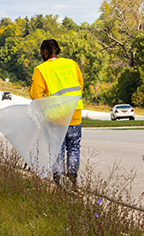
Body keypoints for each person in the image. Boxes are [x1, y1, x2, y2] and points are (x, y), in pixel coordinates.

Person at [29, 39, 84, 187]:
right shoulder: (72, 64)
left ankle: (59, 180)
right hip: (74, 113)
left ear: (45, 52)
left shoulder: (41, 69)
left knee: (57, 148)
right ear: (57, 50)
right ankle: (72, 175)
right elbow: (80, 85)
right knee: (74, 147)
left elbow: (35, 95)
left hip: (54, 117)